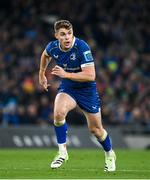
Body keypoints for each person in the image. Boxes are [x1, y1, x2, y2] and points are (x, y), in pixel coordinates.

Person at [39, 20, 116, 171]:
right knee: (58, 112)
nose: (67, 37)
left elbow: (90, 75)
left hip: (87, 91)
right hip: (69, 87)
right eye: (63, 34)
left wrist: (65, 74)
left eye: (69, 33)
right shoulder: (53, 46)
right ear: (56, 36)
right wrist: (42, 73)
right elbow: (46, 55)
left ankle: (110, 154)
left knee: (96, 130)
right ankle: (62, 152)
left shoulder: (82, 47)